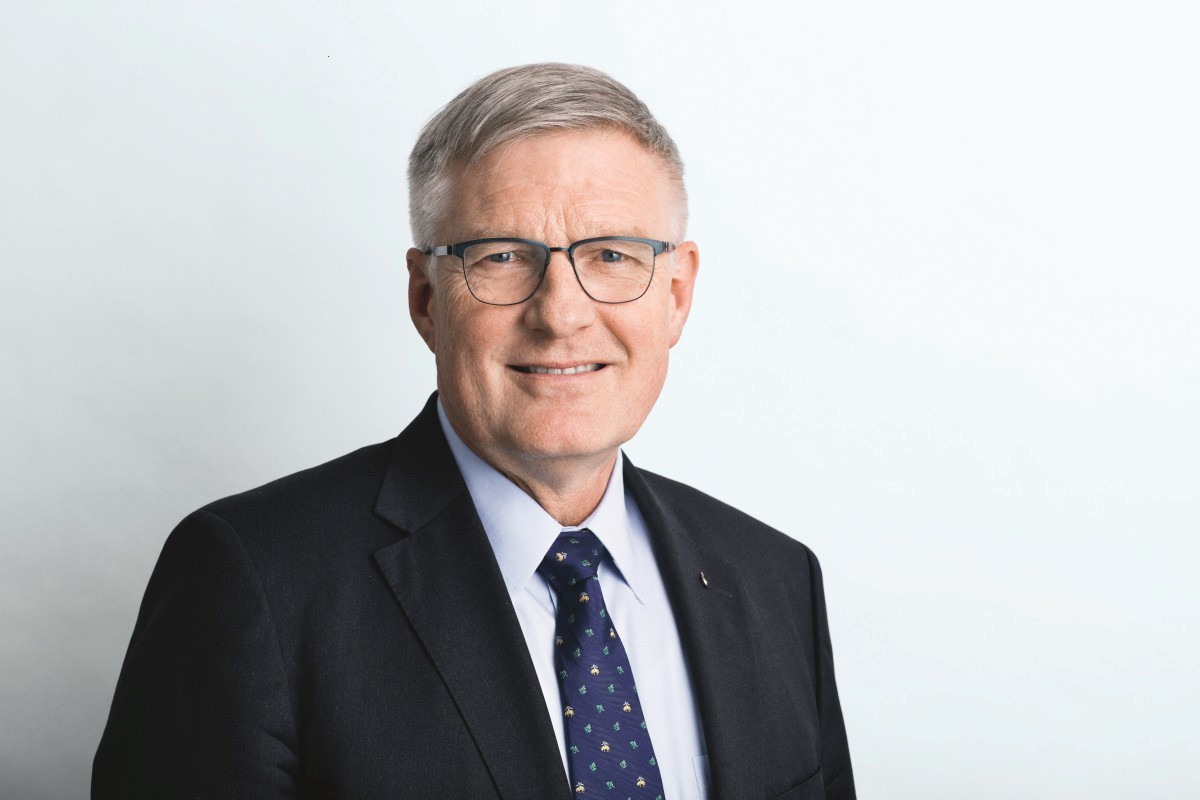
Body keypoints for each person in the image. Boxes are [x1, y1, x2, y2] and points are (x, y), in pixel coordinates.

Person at [93, 63, 855, 800]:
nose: (561, 314)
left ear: (677, 295)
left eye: (612, 255)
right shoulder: (253, 581)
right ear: (426, 299)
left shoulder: (777, 580)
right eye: (502, 257)